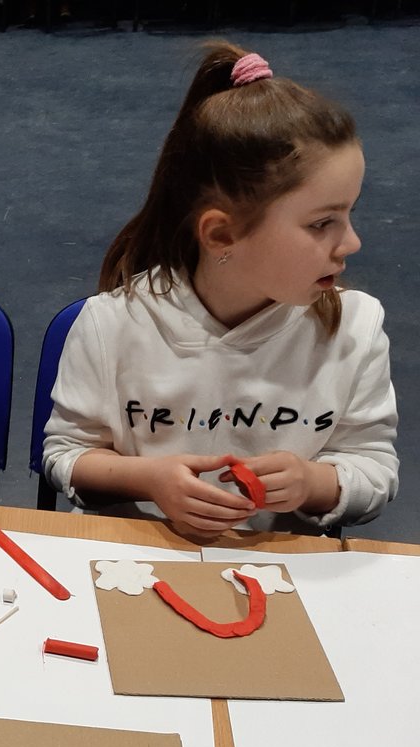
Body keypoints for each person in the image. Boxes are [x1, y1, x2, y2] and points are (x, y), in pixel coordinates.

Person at [42, 43, 398, 538]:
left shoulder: (355, 329)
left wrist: (312, 482)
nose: (352, 243)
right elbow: (65, 454)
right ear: (221, 235)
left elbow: (375, 468)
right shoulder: (113, 324)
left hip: (277, 563)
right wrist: (148, 480)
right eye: (322, 223)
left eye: (349, 214)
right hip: (138, 557)